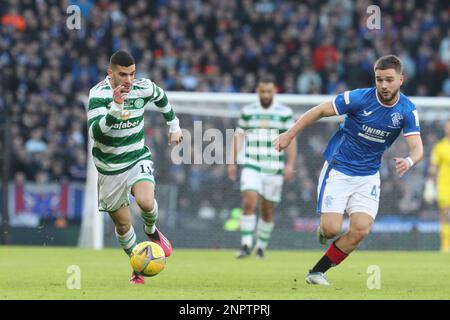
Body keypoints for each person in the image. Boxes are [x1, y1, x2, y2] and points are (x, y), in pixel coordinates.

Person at [273, 55, 423, 285]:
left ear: (401, 79)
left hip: (369, 176)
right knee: (332, 229)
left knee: (360, 230)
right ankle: (323, 231)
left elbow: (417, 149)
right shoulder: (359, 98)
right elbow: (321, 110)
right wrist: (289, 134)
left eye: (389, 80)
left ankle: (316, 272)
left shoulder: (406, 110)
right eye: (379, 79)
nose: (383, 85)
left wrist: (409, 162)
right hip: (339, 169)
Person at [86, 50, 183, 284]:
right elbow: (97, 134)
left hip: (137, 157)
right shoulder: (98, 94)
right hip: (109, 167)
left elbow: (160, 97)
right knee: (123, 224)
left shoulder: (143, 87)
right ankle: (137, 265)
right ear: (111, 73)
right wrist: (116, 107)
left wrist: (174, 126)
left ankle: (152, 231)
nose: (129, 80)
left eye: (132, 74)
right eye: (123, 74)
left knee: (146, 202)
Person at [228, 77, 297, 259]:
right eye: (262, 91)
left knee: (267, 209)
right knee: (248, 201)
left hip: (274, 166)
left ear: (274, 91)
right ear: (258, 91)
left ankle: (261, 246)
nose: (266, 95)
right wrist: (232, 162)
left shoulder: (284, 113)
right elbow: (239, 136)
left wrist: (290, 164)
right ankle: (245, 244)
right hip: (252, 163)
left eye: (269, 91)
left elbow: (290, 140)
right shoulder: (248, 112)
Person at [425, 119, 450, 252]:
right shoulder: (440, 147)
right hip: (444, 187)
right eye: (448, 126)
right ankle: (446, 246)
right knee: (444, 216)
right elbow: (433, 167)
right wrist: (429, 185)